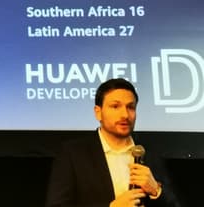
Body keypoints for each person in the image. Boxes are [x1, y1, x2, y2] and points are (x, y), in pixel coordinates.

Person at [45, 78, 179, 207]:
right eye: (115, 106)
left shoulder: (149, 153)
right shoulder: (73, 153)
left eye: (131, 107)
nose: (125, 115)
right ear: (98, 112)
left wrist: (156, 191)